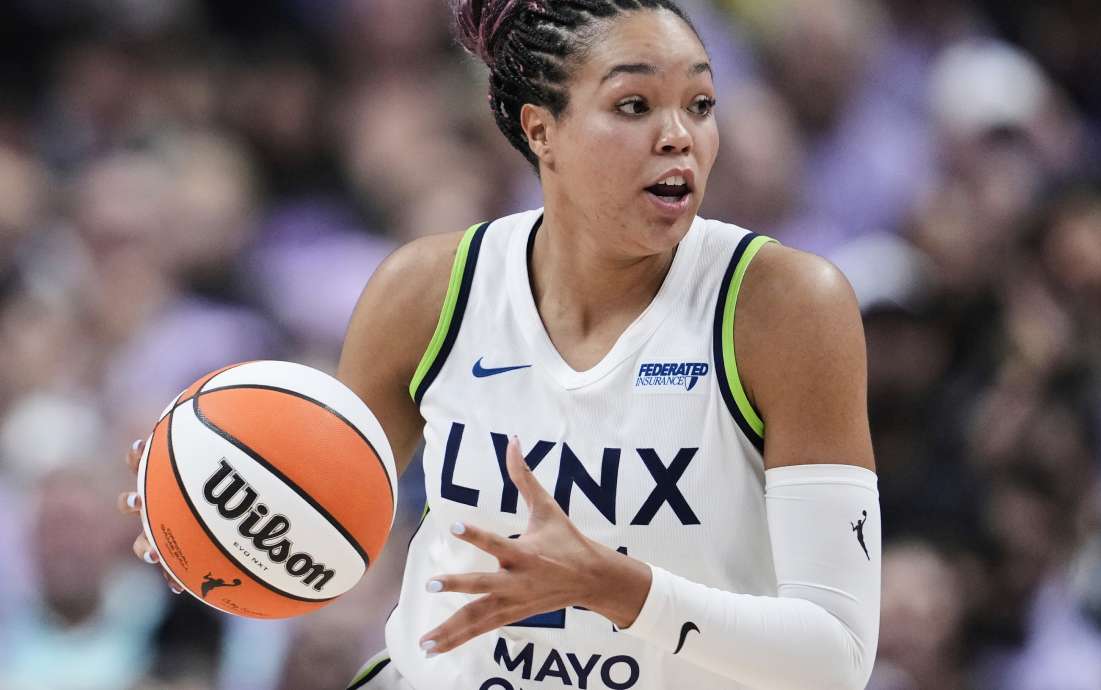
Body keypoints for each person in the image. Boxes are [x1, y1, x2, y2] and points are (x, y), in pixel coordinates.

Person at [120, 0, 881, 688]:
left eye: (701, 103)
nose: (679, 135)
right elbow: (323, 523)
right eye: (635, 104)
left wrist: (615, 586)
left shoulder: (785, 306)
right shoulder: (429, 288)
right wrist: (211, 518)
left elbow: (837, 656)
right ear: (539, 129)